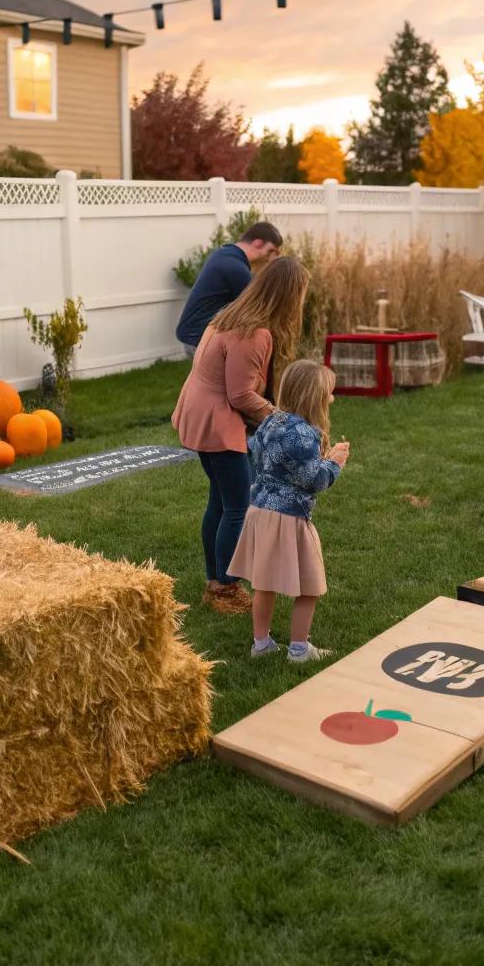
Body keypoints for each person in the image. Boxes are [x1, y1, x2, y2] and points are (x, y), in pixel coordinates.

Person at [172, 255, 309, 614]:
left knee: (220, 501)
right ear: (287, 295)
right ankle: (225, 590)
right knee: (237, 508)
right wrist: (283, 420)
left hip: (199, 413)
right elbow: (240, 395)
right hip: (217, 422)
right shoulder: (254, 333)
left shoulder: (227, 317)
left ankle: (215, 580)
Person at [228, 359, 349, 664]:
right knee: (309, 585)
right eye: (329, 393)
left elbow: (268, 460)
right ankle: (299, 649)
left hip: (260, 511)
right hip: (289, 517)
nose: (332, 399)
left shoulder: (271, 421)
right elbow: (315, 480)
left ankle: (262, 644)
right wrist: (335, 462)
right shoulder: (303, 434)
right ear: (315, 397)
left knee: (264, 584)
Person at [175, 222, 284, 356]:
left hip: (195, 334)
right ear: (257, 243)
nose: (271, 258)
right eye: (271, 251)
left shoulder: (226, 253)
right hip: (200, 338)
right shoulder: (235, 267)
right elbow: (261, 309)